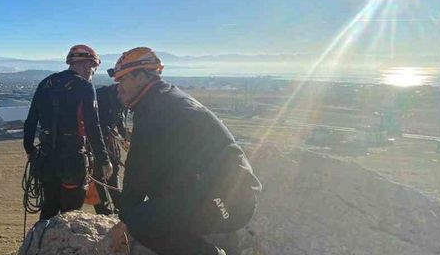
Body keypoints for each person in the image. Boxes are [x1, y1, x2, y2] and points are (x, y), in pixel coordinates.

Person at [106, 48, 261, 255]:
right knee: (151, 210)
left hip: (227, 202)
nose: (118, 87)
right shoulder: (165, 98)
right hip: (229, 196)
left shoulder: (155, 110)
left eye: (122, 80)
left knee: (140, 222)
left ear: (141, 77)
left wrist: (126, 221)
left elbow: (136, 174)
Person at [23, 45, 113, 220]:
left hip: (46, 159)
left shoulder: (46, 83)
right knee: (70, 213)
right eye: (94, 69)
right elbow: (93, 126)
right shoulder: (84, 86)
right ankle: (62, 244)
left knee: (49, 207)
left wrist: (30, 150)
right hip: (73, 161)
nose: (92, 73)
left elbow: (31, 120)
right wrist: (104, 160)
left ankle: (41, 244)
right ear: (88, 64)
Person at [92, 83, 128, 215]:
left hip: (110, 142)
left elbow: (120, 121)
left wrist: (126, 138)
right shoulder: (102, 96)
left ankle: (119, 207)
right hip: (95, 143)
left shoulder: (124, 98)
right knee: (98, 176)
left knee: (112, 175)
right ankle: (103, 210)